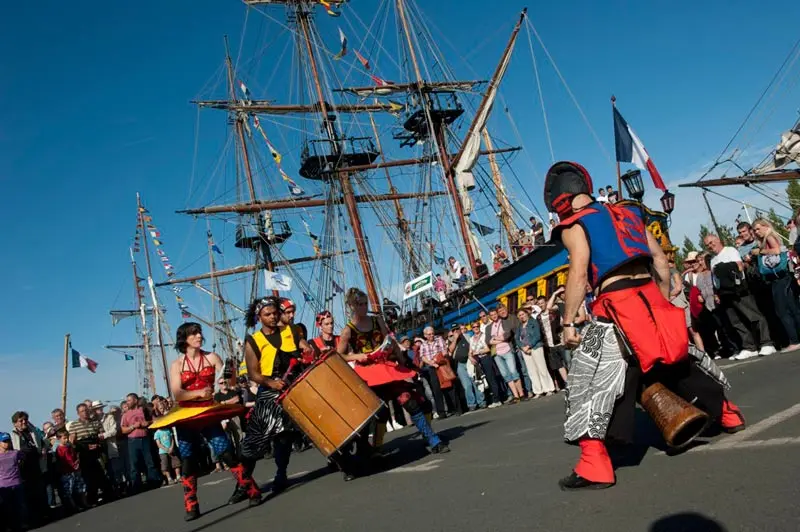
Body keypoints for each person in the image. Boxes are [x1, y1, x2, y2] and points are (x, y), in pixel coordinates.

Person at [543, 160, 746, 491]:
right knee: (677, 358)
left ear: (558, 198)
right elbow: (661, 260)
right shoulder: (627, 212)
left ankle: (595, 464)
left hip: (615, 303)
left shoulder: (574, 225)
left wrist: (567, 322)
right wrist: (661, 301)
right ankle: (727, 413)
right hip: (650, 294)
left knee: (587, 378)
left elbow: (578, 273)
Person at [149, 322, 258, 521]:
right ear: (184, 339)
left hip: (207, 413)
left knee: (226, 452)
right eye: (194, 334)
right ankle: (191, 505)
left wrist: (231, 373)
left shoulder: (212, 357)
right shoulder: (177, 364)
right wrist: (199, 392)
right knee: (188, 460)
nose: (199, 336)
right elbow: (177, 393)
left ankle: (252, 491)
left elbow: (231, 382)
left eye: (199, 333)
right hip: (186, 416)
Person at [337, 288, 449, 455]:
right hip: (368, 374)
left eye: (365, 303)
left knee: (409, 400)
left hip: (387, 368)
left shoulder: (377, 320)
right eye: (359, 304)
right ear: (351, 306)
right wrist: (357, 356)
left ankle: (432, 439)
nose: (363, 307)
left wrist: (402, 362)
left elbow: (390, 341)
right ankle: (376, 449)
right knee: (380, 412)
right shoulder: (348, 330)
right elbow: (339, 355)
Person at [238, 296, 311, 498]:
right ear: (259, 317)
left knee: (284, 436)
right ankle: (243, 484)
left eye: (274, 313)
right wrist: (271, 383)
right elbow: (253, 373)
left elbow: (303, 345)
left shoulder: (290, 331)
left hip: (291, 387)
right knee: (255, 440)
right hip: (269, 390)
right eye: (267, 314)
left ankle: (281, 474)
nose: (272, 317)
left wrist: (306, 348)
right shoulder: (254, 340)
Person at [704, 234, 776, 359]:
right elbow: (714, 278)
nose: (710, 246)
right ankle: (749, 347)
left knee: (753, 316)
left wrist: (723, 269)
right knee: (736, 321)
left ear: (718, 240)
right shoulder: (713, 259)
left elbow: (739, 266)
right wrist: (716, 293)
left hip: (738, 289)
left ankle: (767, 343)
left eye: (711, 242)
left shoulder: (730, 251)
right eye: (707, 245)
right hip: (724, 293)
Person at [752, 218, 800, 350]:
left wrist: (760, 252)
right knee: (792, 308)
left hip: (779, 277)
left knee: (783, 310)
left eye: (758, 228)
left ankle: (794, 340)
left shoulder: (769, 237)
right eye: (754, 230)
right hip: (781, 277)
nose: (756, 232)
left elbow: (777, 251)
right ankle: (795, 338)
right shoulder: (768, 238)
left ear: (765, 226)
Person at [515, 307, 555, 397]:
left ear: (527, 314)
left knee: (542, 368)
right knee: (532, 371)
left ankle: (549, 389)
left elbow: (537, 335)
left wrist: (529, 346)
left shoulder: (533, 322)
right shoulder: (519, 326)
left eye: (523, 314)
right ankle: (538, 391)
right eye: (519, 315)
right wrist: (523, 347)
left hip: (536, 347)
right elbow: (516, 339)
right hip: (525, 350)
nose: (522, 316)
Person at [449, 324, 486, 411]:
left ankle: (481, 402)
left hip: (470, 361)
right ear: (452, 332)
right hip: (460, 365)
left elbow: (473, 347)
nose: (456, 331)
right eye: (454, 330)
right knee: (467, 385)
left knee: (476, 382)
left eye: (457, 329)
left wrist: (472, 357)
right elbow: (450, 350)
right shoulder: (451, 339)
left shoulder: (467, 336)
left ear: (460, 329)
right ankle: (471, 404)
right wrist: (455, 339)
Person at [54, 427, 89, 511]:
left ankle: (84, 503)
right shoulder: (59, 449)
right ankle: (73, 507)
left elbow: (74, 455)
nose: (66, 440)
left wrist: (77, 461)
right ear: (59, 439)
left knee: (80, 487)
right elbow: (64, 460)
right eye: (64, 438)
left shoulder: (69, 446)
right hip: (67, 472)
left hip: (75, 470)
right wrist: (71, 465)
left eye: (67, 437)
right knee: (69, 490)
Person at [0, 431, 27, 530]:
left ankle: (20, 524)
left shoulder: (15, 453)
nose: (7, 443)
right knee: (6, 507)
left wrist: (19, 465)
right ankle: (10, 525)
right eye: (4, 441)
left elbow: (23, 458)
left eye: (8, 441)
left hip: (16, 483)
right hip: (3, 485)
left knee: (19, 506)